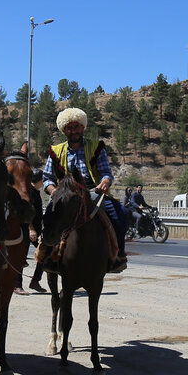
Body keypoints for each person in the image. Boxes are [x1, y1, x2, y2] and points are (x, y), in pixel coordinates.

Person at [41, 107, 128, 273]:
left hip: (93, 191)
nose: (73, 131)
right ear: (64, 130)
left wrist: (105, 182)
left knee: (121, 214)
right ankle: (46, 257)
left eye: (76, 126)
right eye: (69, 128)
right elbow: (47, 178)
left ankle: (118, 255)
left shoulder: (96, 147)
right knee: (49, 218)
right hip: (66, 194)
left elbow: (106, 173)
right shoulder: (56, 151)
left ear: (82, 127)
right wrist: (53, 192)